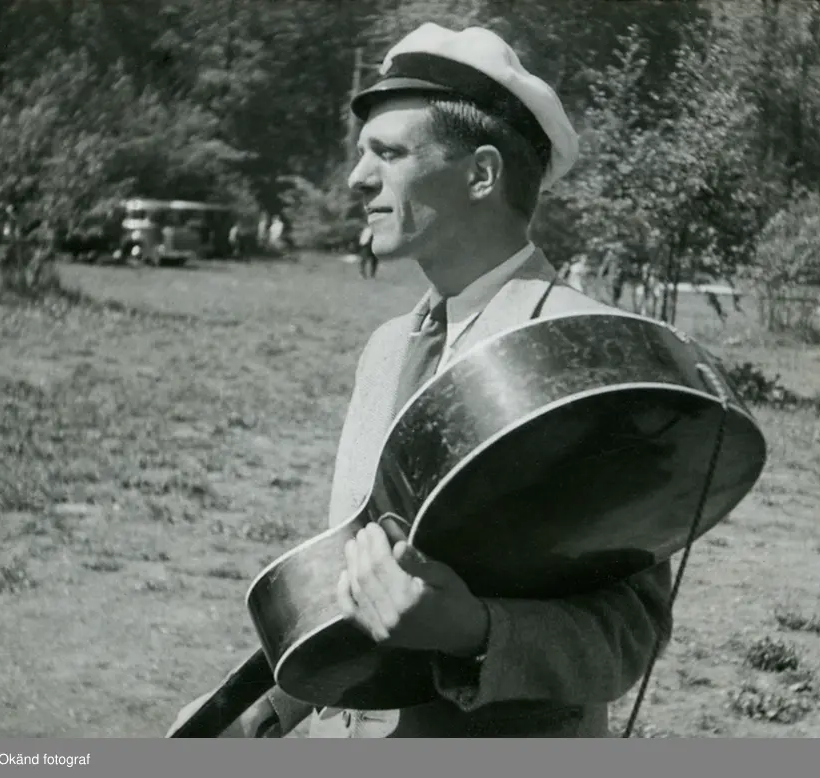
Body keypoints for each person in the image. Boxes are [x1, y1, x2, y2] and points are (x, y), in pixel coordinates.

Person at [167, 22, 674, 739]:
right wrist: (262, 707)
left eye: (389, 152)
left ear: (481, 174)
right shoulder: (385, 348)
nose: (356, 178)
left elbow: (629, 631)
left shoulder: (588, 353)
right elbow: (354, 578)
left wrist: (474, 631)